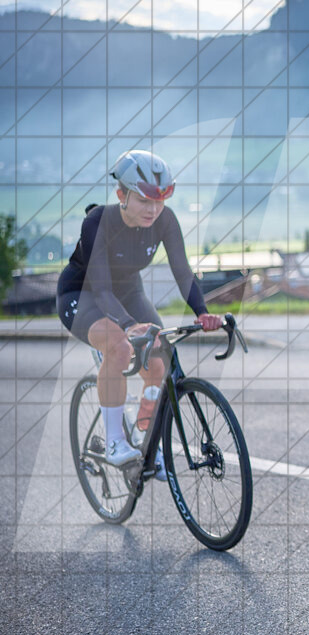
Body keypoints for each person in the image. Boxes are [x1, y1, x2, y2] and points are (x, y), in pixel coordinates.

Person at [57, 150, 222, 479]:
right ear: (122, 194)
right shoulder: (97, 222)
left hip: (129, 292)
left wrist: (203, 312)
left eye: (160, 199)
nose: (154, 209)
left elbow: (183, 273)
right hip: (83, 294)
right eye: (145, 200)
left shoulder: (165, 220)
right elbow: (101, 289)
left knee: (161, 361)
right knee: (119, 346)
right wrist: (130, 326)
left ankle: (146, 442)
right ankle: (116, 442)